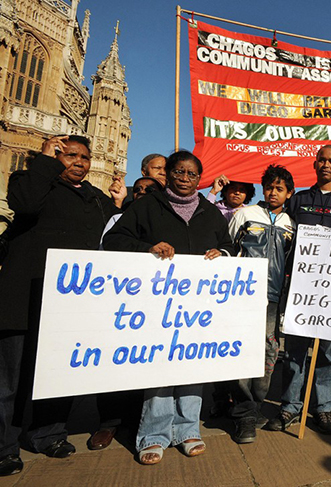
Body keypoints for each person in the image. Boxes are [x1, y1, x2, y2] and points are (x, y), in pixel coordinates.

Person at [0, 135, 123, 476]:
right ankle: (3, 447)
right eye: (71, 155)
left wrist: (119, 204)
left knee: (56, 374)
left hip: (68, 305)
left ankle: (48, 433)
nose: (80, 162)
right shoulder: (32, 183)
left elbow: (114, 234)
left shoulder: (95, 198)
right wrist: (44, 162)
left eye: (85, 157)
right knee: (11, 380)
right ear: (55, 157)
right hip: (24, 295)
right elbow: (24, 204)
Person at [103, 150, 233, 465]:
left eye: (192, 174)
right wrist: (148, 248)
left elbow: (230, 245)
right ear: (169, 174)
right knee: (160, 367)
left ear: (200, 179)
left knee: (192, 367)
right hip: (155, 305)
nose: (185, 179)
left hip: (198, 308)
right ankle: (154, 435)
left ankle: (189, 429)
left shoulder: (210, 212)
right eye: (179, 172)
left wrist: (223, 254)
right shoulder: (147, 206)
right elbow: (114, 240)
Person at [266, 145, 331, 435]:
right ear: (315, 164)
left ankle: (323, 408)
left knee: (329, 353)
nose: (326, 165)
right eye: (322, 159)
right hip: (301, 291)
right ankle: (289, 407)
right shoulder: (299, 200)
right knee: (295, 351)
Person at [89, 176, 163, 451]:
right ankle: (108, 422)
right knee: (113, 364)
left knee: (144, 366)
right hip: (121, 303)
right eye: (139, 189)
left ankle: (136, 422)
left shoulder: (165, 222)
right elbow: (104, 252)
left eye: (150, 190)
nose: (142, 193)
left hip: (155, 306)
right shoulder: (116, 220)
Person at [226, 165, 295, 444]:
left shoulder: (290, 223)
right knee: (243, 351)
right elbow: (228, 248)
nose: (273, 192)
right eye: (270, 187)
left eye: (280, 188)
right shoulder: (244, 214)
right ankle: (244, 415)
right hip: (244, 295)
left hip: (274, 298)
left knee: (268, 353)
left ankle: (256, 405)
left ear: (289, 193)